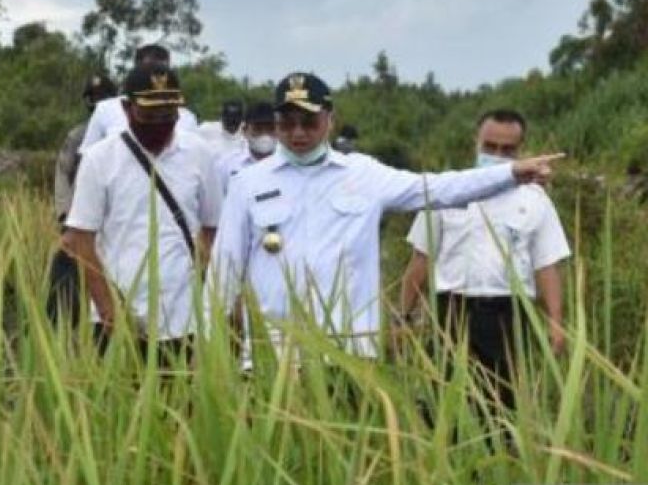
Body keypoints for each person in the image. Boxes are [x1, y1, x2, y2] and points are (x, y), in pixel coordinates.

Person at [207, 72, 564, 364]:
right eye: (287, 123)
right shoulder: (248, 184)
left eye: (309, 121)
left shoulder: (364, 175)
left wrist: (511, 173)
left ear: (330, 120)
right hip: (274, 354)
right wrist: (211, 346)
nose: (298, 132)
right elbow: (224, 268)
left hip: (349, 353)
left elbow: (438, 188)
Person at [398, 108, 571, 410]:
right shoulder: (447, 193)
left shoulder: (534, 200)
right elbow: (420, 260)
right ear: (475, 142)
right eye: (490, 146)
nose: (498, 154)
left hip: (507, 317)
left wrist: (556, 323)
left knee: (502, 409)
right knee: (442, 408)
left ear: (521, 150)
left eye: (508, 150)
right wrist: (402, 316)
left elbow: (547, 265)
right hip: (450, 313)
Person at [61, 64, 222, 358]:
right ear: (126, 108)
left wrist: (201, 281)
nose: (159, 124)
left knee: (183, 401)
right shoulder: (100, 159)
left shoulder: (200, 154)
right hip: (118, 318)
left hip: (184, 319)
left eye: (168, 115)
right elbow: (78, 241)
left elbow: (212, 228)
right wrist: (110, 311)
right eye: (149, 116)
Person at [47, 74, 118, 326]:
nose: (99, 104)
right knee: (67, 275)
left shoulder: (124, 137)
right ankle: (63, 328)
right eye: (94, 98)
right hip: (80, 218)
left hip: (111, 221)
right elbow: (62, 175)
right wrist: (66, 216)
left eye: (104, 98)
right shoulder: (77, 136)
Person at [79, 44, 199, 152]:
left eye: (161, 71)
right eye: (149, 70)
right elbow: (86, 154)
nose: (156, 78)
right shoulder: (106, 109)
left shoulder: (187, 118)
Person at [213, 101, 277, 198]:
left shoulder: (289, 165)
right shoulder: (227, 165)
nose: (265, 135)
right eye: (258, 129)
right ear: (245, 131)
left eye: (270, 129)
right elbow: (217, 202)